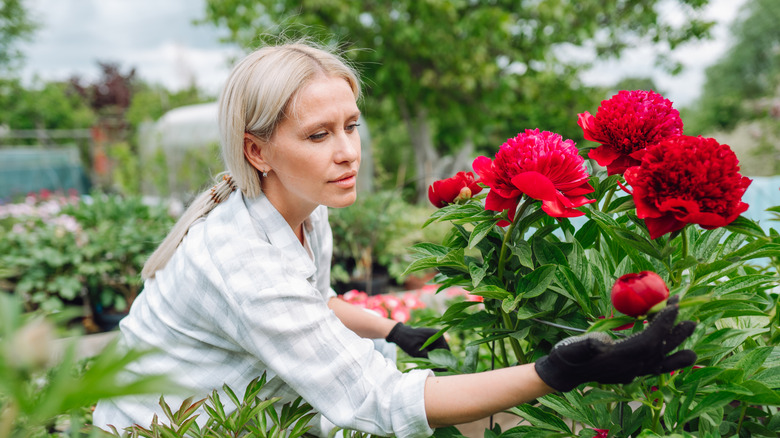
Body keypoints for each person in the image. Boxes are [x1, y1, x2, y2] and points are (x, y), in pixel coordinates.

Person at [93, 41, 697, 438]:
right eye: (318, 134)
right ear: (258, 150)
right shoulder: (240, 258)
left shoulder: (299, 208)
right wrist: (558, 373)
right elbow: (378, 401)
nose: (347, 152)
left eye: (351, 126)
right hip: (164, 425)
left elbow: (310, 299)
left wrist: (392, 329)